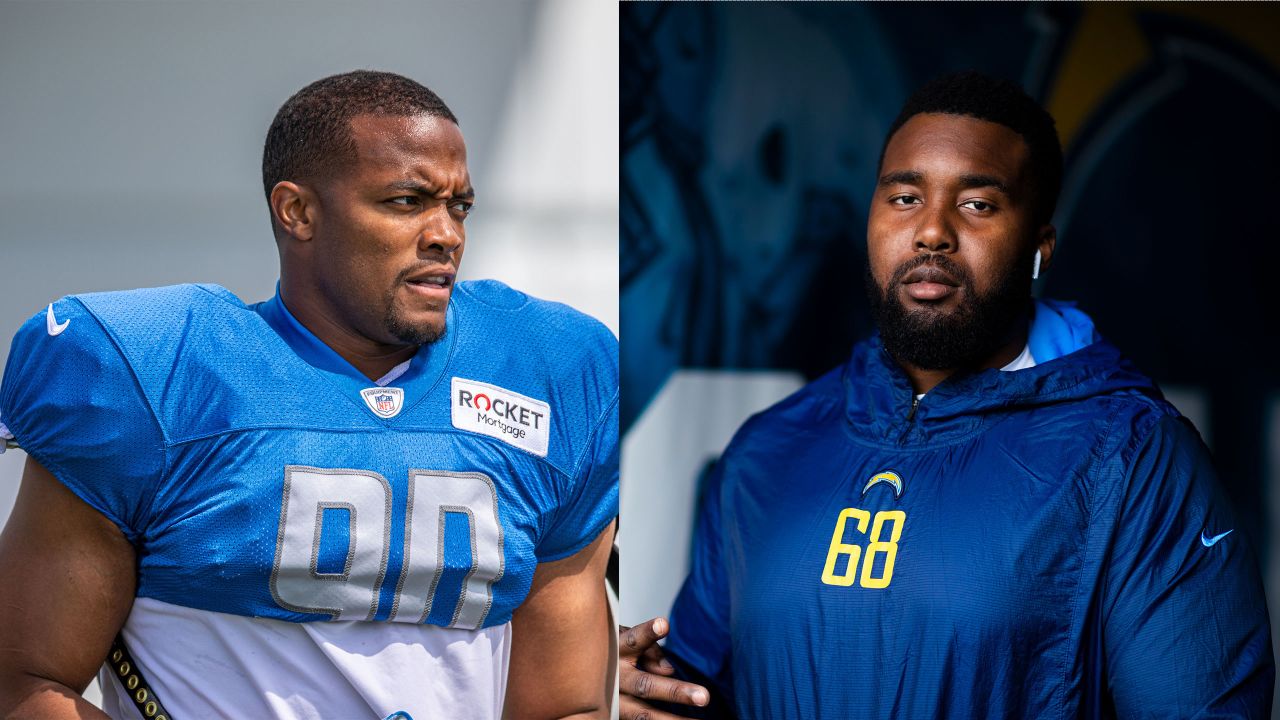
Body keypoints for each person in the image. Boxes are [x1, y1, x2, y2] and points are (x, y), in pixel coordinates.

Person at [619, 71, 1273, 719]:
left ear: (1040, 245)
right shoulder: (768, 448)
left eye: (977, 204)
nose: (932, 231)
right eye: (905, 197)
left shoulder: (1134, 458)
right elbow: (701, 696)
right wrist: (639, 691)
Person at [0, 70, 617, 720]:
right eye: (407, 201)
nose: (447, 234)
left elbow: (563, 705)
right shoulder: (158, 371)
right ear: (298, 211)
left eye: (458, 205)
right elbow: (24, 682)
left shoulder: (551, 371)